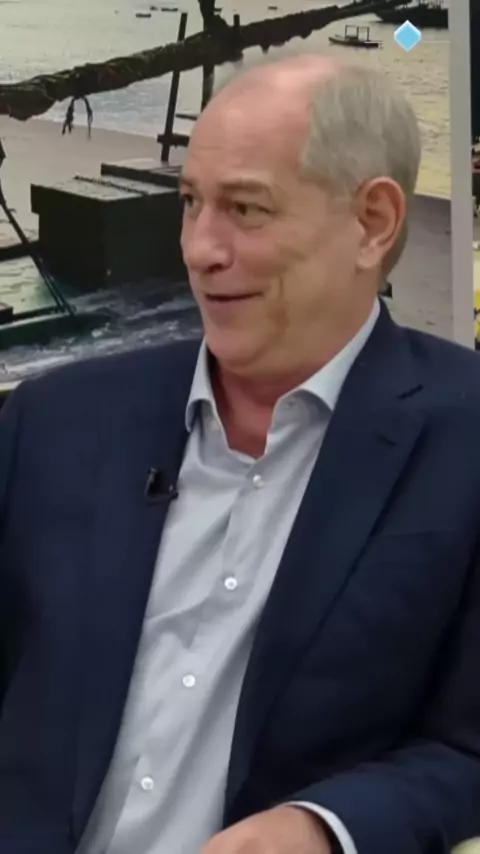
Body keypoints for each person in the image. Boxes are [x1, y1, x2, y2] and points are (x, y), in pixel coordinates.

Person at [1, 53, 480, 854]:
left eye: (246, 210)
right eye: (191, 203)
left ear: (373, 223)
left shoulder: (463, 439)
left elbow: (469, 749)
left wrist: (326, 827)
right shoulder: (55, 420)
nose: (199, 249)